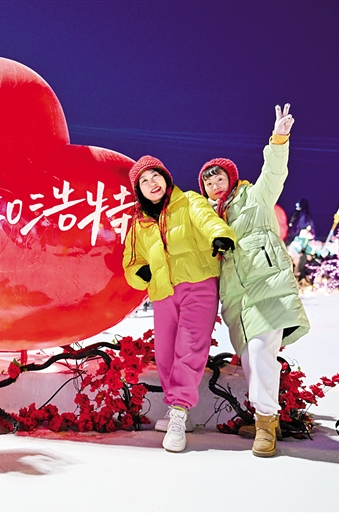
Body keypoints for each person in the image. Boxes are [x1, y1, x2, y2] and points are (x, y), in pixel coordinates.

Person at [199, 104, 310, 457]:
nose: (214, 185)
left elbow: (274, 172)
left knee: (261, 353)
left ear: (231, 179)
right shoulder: (208, 217)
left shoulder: (255, 198)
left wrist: (278, 139)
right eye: (208, 182)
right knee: (251, 360)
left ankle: (264, 425)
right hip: (237, 299)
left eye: (219, 179)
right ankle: (268, 419)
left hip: (267, 289)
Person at [122, 156, 235, 453]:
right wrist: (139, 273)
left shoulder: (189, 201)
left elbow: (209, 221)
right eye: (144, 181)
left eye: (155, 176)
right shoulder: (139, 223)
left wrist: (220, 236)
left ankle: (179, 413)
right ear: (139, 190)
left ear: (166, 177)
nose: (152, 183)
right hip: (163, 292)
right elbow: (131, 261)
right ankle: (177, 409)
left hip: (198, 284)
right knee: (165, 354)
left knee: (190, 347)